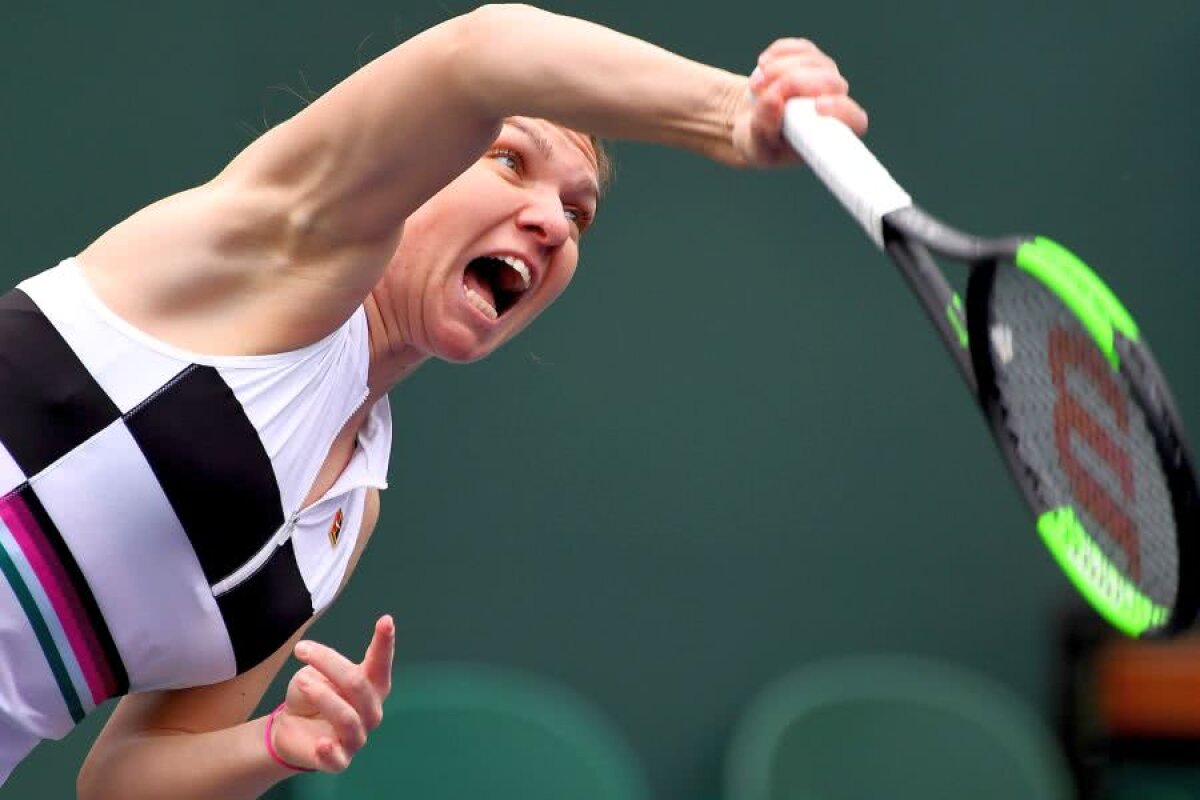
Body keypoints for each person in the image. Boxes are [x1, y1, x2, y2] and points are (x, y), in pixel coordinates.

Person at [0, 4, 867, 797]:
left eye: (579, 213)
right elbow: (483, 53)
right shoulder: (270, 251)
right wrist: (727, 112)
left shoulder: (345, 512)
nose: (554, 223)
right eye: (510, 161)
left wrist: (275, 744)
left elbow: (119, 782)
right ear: (412, 163)